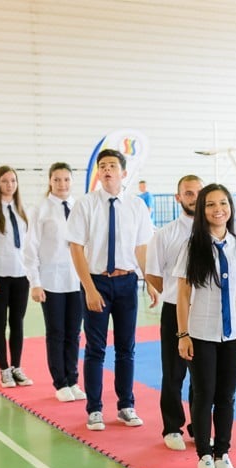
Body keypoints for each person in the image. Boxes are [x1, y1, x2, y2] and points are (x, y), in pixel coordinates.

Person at [68, 149, 156, 431]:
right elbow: (76, 248)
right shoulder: (85, 204)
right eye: (102, 166)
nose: (107, 170)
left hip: (127, 282)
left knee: (126, 349)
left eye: (112, 166)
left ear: (123, 173)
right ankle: (94, 408)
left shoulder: (136, 206)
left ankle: (126, 405)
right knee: (95, 349)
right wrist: (89, 288)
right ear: (98, 172)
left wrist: (150, 281)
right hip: (98, 282)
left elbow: (141, 248)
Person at [175, 184, 236, 468]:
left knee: (226, 396)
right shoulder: (193, 246)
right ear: (202, 211)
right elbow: (182, 293)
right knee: (204, 394)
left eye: (223, 203)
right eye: (211, 204)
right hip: (202, 333)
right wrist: (183, 334)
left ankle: (222, 452)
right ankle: (204, 452)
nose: (219, 209)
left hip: (234, 335)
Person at [145, 175, 203, 451]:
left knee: (202, 376)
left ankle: (199, 427)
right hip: (174, 310)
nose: (194, 197)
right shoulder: (165, 234)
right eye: (188, 193)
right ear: (178, 198)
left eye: (198, 193)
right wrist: (173, 294)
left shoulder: (214, 231)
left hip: (206, 313)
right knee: (174, 372)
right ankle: (172, 427)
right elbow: (154, 275)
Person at [23, 162, 85, 403]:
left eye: (66, 180)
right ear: (50, 181)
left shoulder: (78, 206)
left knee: (74, 333)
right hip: (51, 281)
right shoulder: (41, 209)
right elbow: (31, 247)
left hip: (76, 279)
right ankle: (60, 382)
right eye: (57, 179)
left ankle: (73, 379)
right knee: (57, 333)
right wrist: (35, 282)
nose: (62, 184)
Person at [0, 166, 33, 389]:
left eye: (13, 181)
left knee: (17, 323)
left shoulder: (23, 211)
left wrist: (32, 272)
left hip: (22, 275)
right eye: (4, 181)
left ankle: (17, 367)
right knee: (0, 323)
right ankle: (4, 369)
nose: (9, 185)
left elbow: (29, 244)